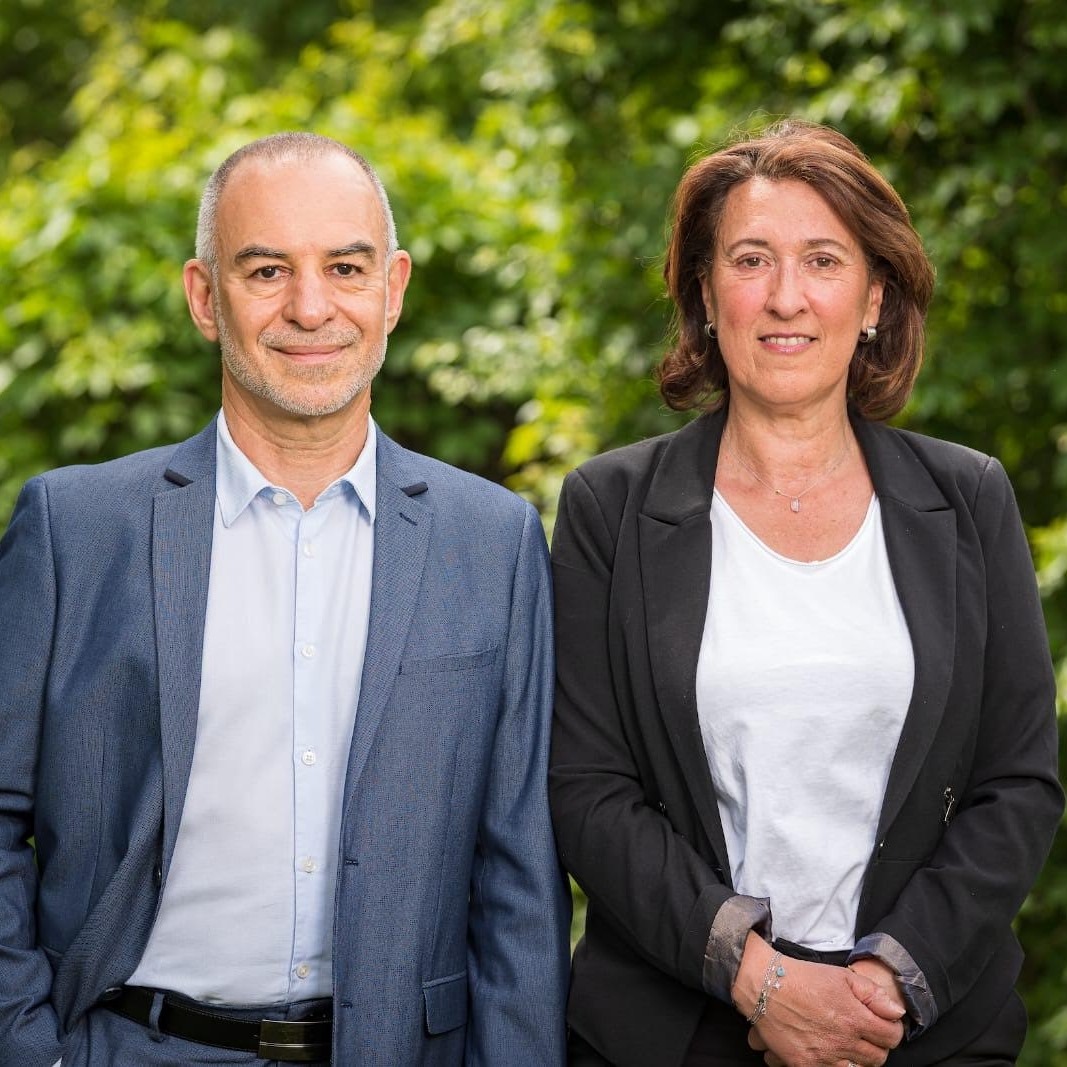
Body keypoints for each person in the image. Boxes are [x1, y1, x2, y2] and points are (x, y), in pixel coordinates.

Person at [0, 131, 570, 1066]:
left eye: (345, 267)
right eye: (266, 270)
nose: (311, 307)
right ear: (204, 297)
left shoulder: (492, 540)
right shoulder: (75, 530)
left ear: (392, 289)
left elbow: (519, 879)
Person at [549, 119, 1063, 1067]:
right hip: (675, 1034)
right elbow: (587, 789)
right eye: (751, 260)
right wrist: (758, 979)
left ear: (873, 297)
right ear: (705, 294)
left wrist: (887, 982)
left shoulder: (968, 498)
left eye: (822, 260)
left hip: (917, 1033)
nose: (785, 296)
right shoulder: (607, 509)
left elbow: (1017, 783)